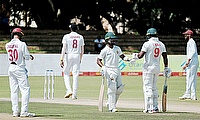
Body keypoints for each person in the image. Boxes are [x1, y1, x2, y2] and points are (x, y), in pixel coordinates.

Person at [132, 28, 171, 113]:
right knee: (154, 87)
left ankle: (149, 108)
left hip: (148, 68)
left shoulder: (147, 44)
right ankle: (156, 107)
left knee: (147, 88)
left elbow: (140, 56)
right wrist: (166, 67)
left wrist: (134, 56)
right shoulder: (161, 44)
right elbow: (165, 56)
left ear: (149, 35)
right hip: (157, 68)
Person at [97, 32, 134, 112]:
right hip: (109, 70)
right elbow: (98, 60)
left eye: (114, 39)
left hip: (117, 69)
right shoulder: (105, 50)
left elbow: (122, 56)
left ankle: (110, 103)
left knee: (120, 88)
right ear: (107, 40)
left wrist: (129, 59)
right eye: (111, 39)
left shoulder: (117, 48)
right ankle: (112, 107)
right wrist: (103, 67)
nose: (113, 41)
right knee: (112, 88)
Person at [5, 28, 35, 117]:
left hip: (11, 67)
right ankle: (24, 111)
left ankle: (15, 111)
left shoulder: (7, 45)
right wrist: (30, 56)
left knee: (14, 91)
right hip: (19, 67)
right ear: (20, 34)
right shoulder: (22, 44)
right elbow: (26, 56)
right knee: (25, 90)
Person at [60, 23, 85, 100]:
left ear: (70, 29)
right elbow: (82, 50)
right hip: (77, 55)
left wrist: (61, 59)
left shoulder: (66, 36)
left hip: (69, 55)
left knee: (66, 72)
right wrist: (80, 58)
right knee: (76, 74)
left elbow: (64, 48)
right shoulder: (80, 37)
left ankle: (69, 90)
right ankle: (74, 94)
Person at [179, 30, 199, 100]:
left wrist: (188, 61)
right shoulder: (190, 42)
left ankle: (187, 93)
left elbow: (193, 51)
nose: (184, 36)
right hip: (193, 61)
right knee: (192, 78)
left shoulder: (191, 42)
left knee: (190, 77)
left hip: (192, 61)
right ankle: (193, 95)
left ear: (189, 35)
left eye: (186, 35)